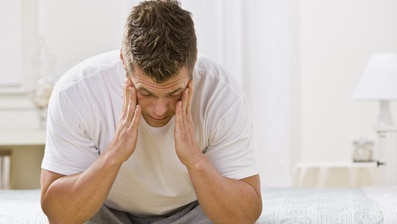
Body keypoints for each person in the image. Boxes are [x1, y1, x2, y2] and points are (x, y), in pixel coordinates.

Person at [40, 0, 262, 223]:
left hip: (193, 211)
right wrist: (114, 153)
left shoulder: (222, 94)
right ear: (123, 62)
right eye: (145, 92)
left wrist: (195, 159)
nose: (159, 109)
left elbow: (245, 216)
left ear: (194, 62)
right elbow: (59, 215)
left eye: (174, 92)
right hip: (105, 211)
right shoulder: (76, 91)